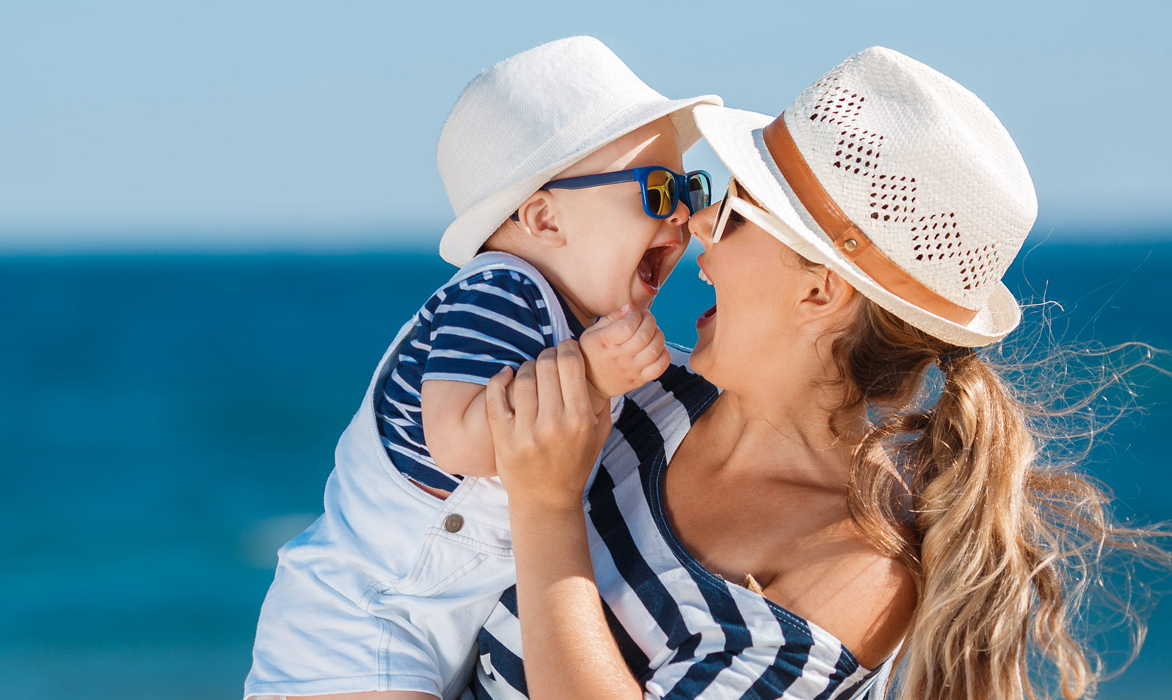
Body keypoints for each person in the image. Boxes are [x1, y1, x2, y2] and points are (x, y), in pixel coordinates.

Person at [473, 47, 1169, 700]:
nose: (701, 232)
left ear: (819, 293)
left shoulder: (856, 576)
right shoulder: (639, 392)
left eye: (736, 212)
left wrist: (547, 507)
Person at [243, 37, 720, 700]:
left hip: (433, 625)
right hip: (360, 622)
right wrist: (590, 374)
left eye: (690, 188)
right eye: (658, 191)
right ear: (544, 217)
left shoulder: (571, 317)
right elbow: (457, 437)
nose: (684, 217)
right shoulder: (502, 291)